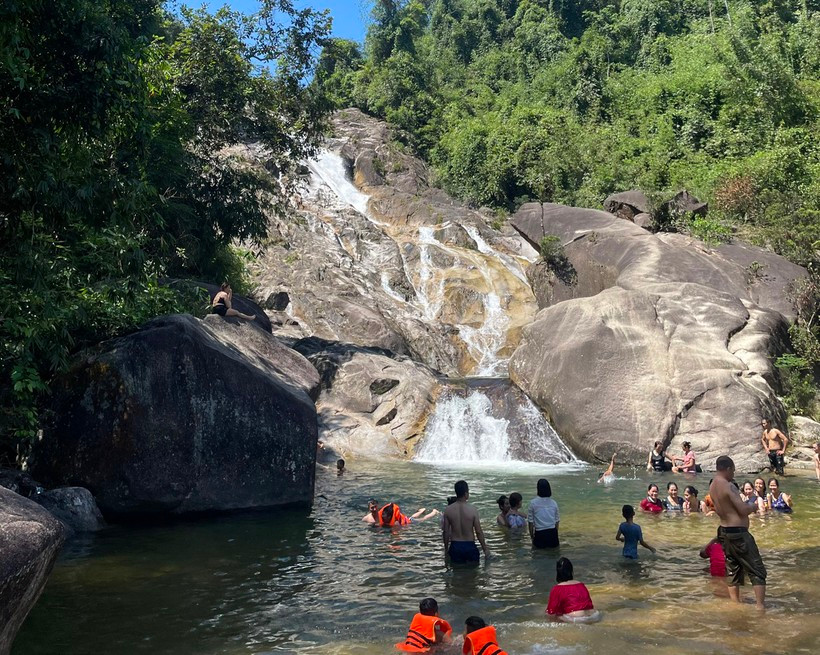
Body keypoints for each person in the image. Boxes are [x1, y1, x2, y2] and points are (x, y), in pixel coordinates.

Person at [710, 455, 767, 609]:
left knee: (733, 569)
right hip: (738, 533)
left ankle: (735, 606)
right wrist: (754, 506)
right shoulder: (728, 486)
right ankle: (760, 607)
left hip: (724, 531)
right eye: (733, 471)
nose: (733, 474)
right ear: (728, 468)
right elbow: (742, 510)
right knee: (757, 569)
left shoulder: (713, 485)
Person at [442, 480, 490, 563]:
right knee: (473, 573)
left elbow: (445, 532)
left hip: (455, 546)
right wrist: (485, 548)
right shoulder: (472, 510)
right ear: (466, 494)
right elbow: (478, 532)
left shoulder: (448, 510)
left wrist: (446, 549)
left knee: (457, 572)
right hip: (470, 546)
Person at [545, 557, 601, 623]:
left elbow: (551, 613)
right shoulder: (581, 585)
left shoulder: (557, 588)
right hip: (594, 615)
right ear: (571, 571)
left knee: (552, 615)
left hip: (577, 618)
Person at [527, 478, 560, 548]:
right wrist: (555, 534)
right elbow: (557, 521)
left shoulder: (533, 503)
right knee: (554, 555)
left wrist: (532, 537)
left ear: (538, 489)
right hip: (553, 534)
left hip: (540, 534)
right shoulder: (554, 503)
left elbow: (530, 523)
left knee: (539, 555)